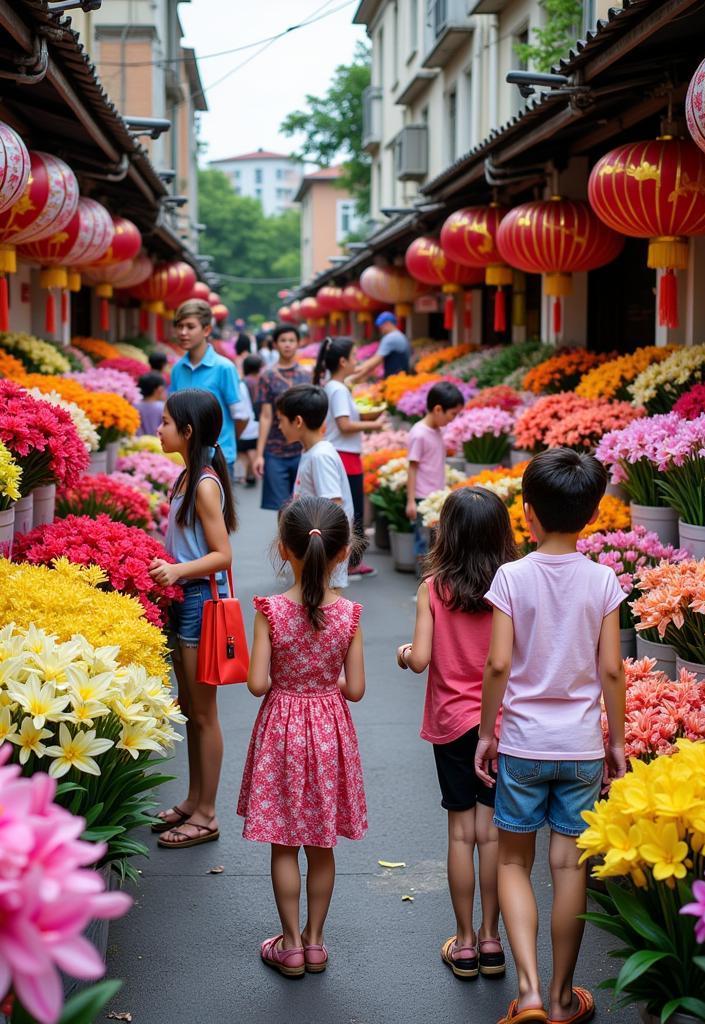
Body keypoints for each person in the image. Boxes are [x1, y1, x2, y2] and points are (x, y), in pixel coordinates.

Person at [474, 448, 627, 1024]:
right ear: (591, 514)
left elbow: (497, 666)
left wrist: (487, 733)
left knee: (514, 863)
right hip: (583, 748)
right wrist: (616, 741)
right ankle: (565, 999)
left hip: (523, 744)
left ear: (528, 512)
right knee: (570, 869)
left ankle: (530, 992)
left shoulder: (512, 576)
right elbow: (612, 669)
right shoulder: (603, 579)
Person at [238, 495, 367, 977]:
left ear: (283, 548)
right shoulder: (350, 614)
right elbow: (354, 689)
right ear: (342, 552)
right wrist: (322, 684)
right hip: (330, 730)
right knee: (321, 843)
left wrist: (290, 685)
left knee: (284, 842)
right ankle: (316, 941)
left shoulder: (269, 610)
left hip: (281, 731)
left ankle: (289, 944)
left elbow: (255, 684)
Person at [396, 488, 516, 982]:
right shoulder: (512, 586)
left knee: (460, 832)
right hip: (502, 725)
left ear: (448, 533)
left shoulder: (434, 588)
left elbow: (421, 658)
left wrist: (404, 653)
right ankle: (492, 940)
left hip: (452, 725)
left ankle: (463, 943)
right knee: (492, 836)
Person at [149, 388, 238, 850]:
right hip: (184, 600)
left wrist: (177, 570)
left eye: (165, 423)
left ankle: (206, 814)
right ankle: (193, 800)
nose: (157, 429)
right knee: (190, 710)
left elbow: (223, 555)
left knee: (204, 715)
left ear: (187, 431)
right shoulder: (186, 477)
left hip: (199, 602)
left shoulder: (203, 483)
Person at [313, 336, 385, 580]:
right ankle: (351, 562)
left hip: (343, 452)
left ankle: (346, 561)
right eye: (354, 357)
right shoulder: (339, 389)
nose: (358, 360)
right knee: (351, 513)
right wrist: (374, 424)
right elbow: (344, 425)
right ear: (342, 361)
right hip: (346, 455)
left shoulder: (332, 385)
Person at [277, 384, 353, 591]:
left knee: (328, 609)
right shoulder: (313, 452)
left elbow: (332, 508)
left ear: (298, 421)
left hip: (322, 553)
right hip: (313, 549)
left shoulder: (321, 457)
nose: (279, 427)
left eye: (281, 420)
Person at [169, 299, 248, 465]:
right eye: (179, 326)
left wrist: (225, 443)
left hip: (218, 460)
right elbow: (173, 414)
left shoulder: (224, 368)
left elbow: (241, 416)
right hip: (186, 459)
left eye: (190, 327)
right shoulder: (177, 369)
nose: (183, 332)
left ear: (207, 330)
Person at [407, 381, 464, 568]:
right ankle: (422, 583)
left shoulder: (437, 430)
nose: (453, 419)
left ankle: (431, 581)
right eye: (452, 414)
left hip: (436, 495)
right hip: (423, 498)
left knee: (435, 541)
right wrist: (410, 501)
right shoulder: (419, 433)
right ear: (438, 409)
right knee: (423, 542)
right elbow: (412, 468)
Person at [255, 324, 310, 512]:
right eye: (283, 341)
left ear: (298, 343)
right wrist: (260, 454)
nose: (287, 345)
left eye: (292, 340)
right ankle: (284, 542)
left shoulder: (307, 375)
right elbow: (265, 416)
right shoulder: (267, 376)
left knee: (303, 507)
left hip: (302, 450)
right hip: (275, 450)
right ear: (276, 344)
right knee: (282, 509)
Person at [351, 311, 412, 383]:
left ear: (387, 324)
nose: (380, 329)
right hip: (403, 378)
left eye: (381, 326)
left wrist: (354, 372)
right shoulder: (401, 335)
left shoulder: (391, 338)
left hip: (395, 380)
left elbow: (375, 361)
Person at [235, 354, 262, 486]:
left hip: (247, 421)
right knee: (252, 448)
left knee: (243, 450)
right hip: (259, 422)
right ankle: (252, 473)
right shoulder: (262, 382)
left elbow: (240, 404)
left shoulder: (242, 383)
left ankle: (248, 473)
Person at [134, 371, 166, 438]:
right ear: (159, 389)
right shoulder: (163, 407)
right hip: (158, 445)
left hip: (138, 444)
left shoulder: (135, 405)